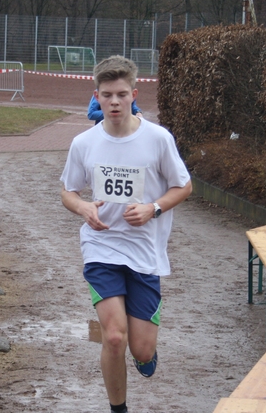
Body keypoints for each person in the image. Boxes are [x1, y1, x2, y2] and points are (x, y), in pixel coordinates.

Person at [60, 56, 192, 413]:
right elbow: (68, 191)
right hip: (101, 246)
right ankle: (118, 409)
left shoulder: (158, 139)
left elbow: (183, 186)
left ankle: (144, 352)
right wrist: (83, 208)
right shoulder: (84, 143)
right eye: (107, 95)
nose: (114, 102)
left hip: (144, 251)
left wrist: (153, 208)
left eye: (121, 94)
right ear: (97, 97)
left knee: (142, 349)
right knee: (114, 336)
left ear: (134, 95)